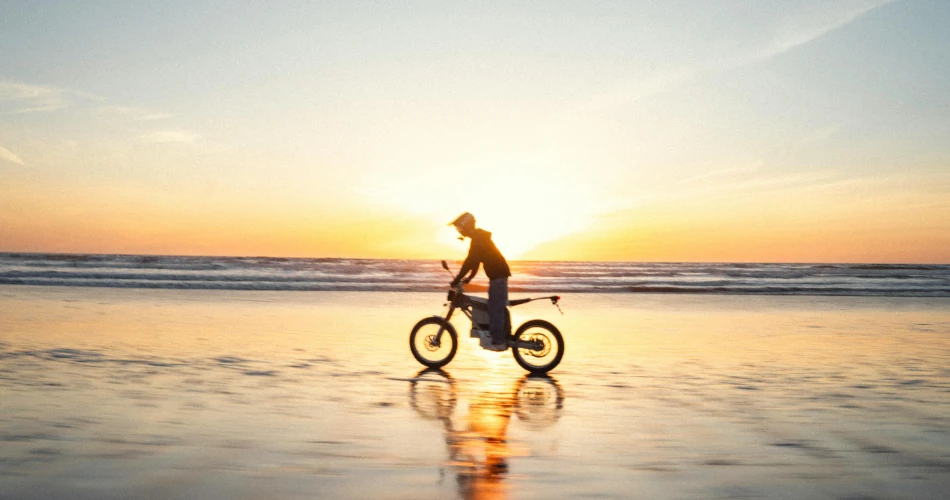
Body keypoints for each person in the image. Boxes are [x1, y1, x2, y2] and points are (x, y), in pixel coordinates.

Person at [449, 212, 511, 351]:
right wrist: (469, 278)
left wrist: (457, 279)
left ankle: (498, 341)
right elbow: (475, 262)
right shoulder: (478, 238)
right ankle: (498, 336)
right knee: (494, 307)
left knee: (495, 309)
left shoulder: (478, 239)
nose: (459, 231)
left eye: (459, 228)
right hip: (497, 276)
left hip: (498, 276)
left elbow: (469, 262)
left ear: (466, 226)